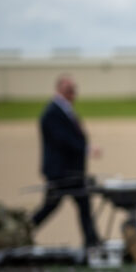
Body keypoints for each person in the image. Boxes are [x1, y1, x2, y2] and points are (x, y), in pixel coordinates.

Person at [31, 73, 100, 247]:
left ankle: (92, 241)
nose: (73, 94)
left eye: (74, 90)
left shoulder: (64, 110)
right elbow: (62, 139)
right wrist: (85, 148)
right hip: (61, 172)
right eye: (69, 90)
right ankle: (24, 230)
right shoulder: (52, 112)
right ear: (60, 90)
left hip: (72, 172)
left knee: (83, 205)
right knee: (51, 206)